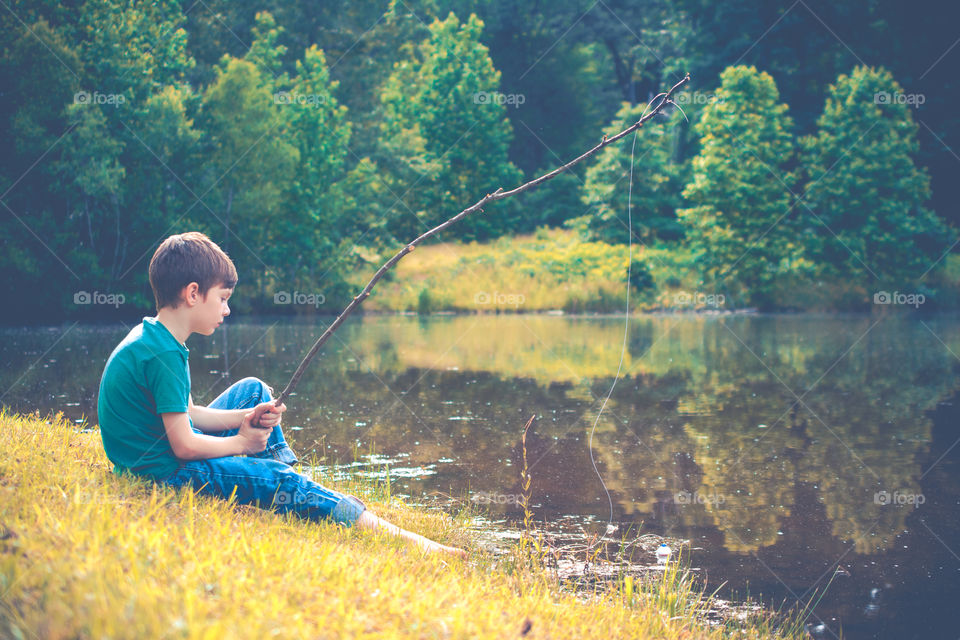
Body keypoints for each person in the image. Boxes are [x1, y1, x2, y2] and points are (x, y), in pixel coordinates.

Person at [96, 231, 465, 557]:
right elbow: (184, 446)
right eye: (222, 298)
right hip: (160, 473)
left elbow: (189, 412)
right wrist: (242, 442)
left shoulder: (157, 337)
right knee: (276, 478)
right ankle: (406, 539)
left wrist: (245, 418)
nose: (227, 309)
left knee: (253, 390)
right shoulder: (164, 355)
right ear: (193, 293)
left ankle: (283, 487)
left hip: (151, 457)